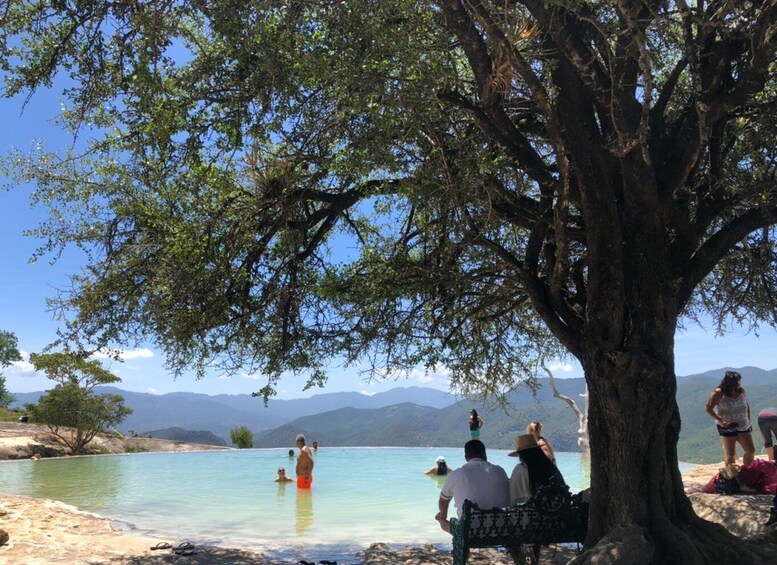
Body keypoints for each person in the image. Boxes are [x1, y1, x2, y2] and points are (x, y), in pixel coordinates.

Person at [507, 433, 568, 564]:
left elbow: (513, 499)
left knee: (519, 518)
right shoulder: (551, 468)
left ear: (522, 455)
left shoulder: (521, 470)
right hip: (556, 524)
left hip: (533, 525)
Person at [435, 439, 509, 534]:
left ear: (466, 457)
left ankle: (441, 520)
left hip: (470, 533)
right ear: (484, 454)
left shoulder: (455, 475)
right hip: (501, 530)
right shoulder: (500, 471)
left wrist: (443, 515)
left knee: (442, 520)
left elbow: (443, 501)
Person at [705, 371, 755, 466]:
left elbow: (746, 406)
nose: (740, 382)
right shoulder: (719, 393)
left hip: (743, 425)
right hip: (727, 426)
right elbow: (708, 408)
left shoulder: (741, 391)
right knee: (730, 454)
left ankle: (747, 471)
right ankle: (732, 477)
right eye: (739, 381)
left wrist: (748, 420)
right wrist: (721, 420)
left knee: (750, 450)